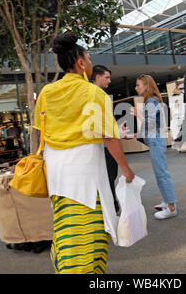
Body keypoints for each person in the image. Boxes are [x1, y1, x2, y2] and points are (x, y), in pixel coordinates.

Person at [34, 32, 135, 274]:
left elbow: (40, 133)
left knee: (66, 225)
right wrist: (126, 169)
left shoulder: (47, 92)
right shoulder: (93, 93)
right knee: (89, 229)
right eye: (88, 58)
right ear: (80, 62)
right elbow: (109, 137)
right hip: (85, 170)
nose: (90, 63)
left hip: (56, 170)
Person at [132, 74, 177, 220]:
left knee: (162, 174)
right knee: (160, 174)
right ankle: (167, 201)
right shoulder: (151, 101)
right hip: (156, 139)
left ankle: (171, 208)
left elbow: (150, 124)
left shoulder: (151, 101)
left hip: (155, 140)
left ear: (146, 86)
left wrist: (138, 118)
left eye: (138, 85)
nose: (136, 87)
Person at [91, 65, 120, 213]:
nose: (109, 81)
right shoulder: (98, 95)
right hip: (103, 146)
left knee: (108, 178)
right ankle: (111, 207)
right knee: (108, 177)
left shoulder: (93, 94)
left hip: (99, 146)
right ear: (97, 77)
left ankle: (111, 205)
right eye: (106, 77)